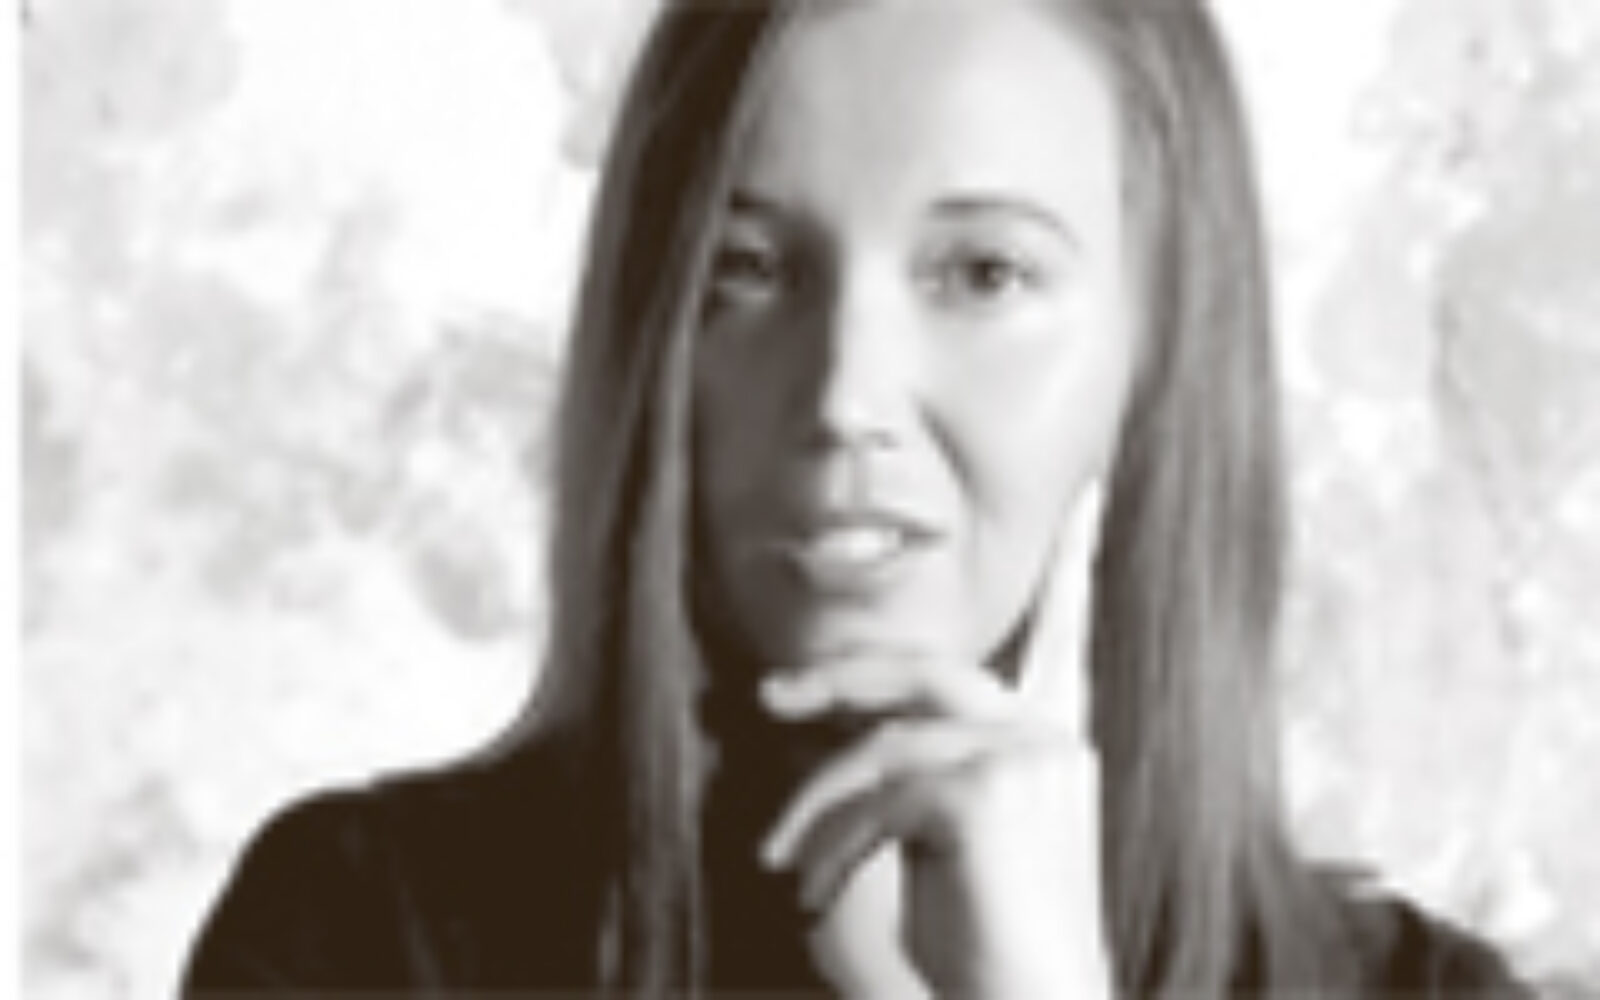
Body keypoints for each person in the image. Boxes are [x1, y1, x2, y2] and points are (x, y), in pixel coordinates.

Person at [184, 0, 1532, 995]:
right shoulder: (362, 937)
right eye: (747, 272)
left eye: (984, 275)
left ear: (1160, 350)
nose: (843, 393)